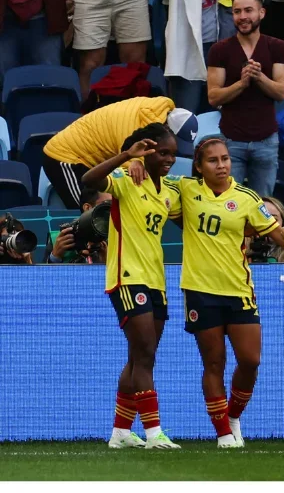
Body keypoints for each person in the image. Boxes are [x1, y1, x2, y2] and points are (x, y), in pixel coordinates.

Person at [161, 135, 284, 448]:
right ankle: (223, 434)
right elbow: (154, 182)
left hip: (238, 289)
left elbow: (275, 232)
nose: (221, 165)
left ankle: (233, 417)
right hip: (200, 291)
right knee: (214, 363)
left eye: (225, 159)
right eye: (213, 160)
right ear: (199, 166)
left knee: (250, 360)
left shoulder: (245, 197)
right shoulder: (186, 190)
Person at [81, 123, 182, 450]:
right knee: (145, 353)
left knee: (139, 357)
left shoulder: (169, 191)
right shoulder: (125, 181)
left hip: (156, 280)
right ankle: (154, 433)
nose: (169, 159)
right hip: (127, 277)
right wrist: (126, 156)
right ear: (145, 151)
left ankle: (121, 431)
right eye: (162, 152)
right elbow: (89, 181)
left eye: (172, 154)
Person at [207, 0, 284, 197]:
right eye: (237, 12)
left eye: (248, 10)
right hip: (231, 141)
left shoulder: (278, 47)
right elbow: (213, 97)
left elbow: (281, 92)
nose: (242, 17)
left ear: (261, 13)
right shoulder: (220, 50)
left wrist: (259, 77)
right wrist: (242, 83)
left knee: (262, 206)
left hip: (266, 141)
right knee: (227, 202)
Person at [42, 98, 197, 209]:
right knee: (88, 214)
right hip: (65, 156)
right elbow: (132, 178)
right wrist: (136, 162)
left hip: (93, 160)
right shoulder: (136, 124)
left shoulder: (158, 115)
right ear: (167, 128)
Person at [46, 188, 113, 264]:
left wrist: (107, 263)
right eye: (107, 203)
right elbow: (42, 275)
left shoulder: (118, 239)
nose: (112, 208)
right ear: (87, 208)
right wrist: (55, 257)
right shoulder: (58, 239)